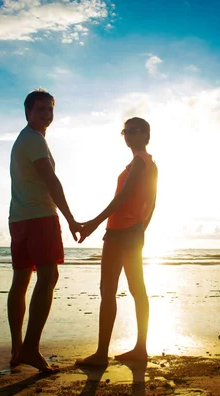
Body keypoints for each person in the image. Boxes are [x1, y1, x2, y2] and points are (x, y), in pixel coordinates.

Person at [7, 88, 80, 373]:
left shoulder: (23, 140)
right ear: (28, 112)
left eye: (50, 108)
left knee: (22, 280)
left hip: (19, 218)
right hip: (39, 217)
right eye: (40, 109)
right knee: (48, 276)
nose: (46, 114)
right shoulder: (34, 140)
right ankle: (30, 348)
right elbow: (50, 179)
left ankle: (17, 349)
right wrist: (71, 218)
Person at [75, 117, 158, 366]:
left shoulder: (141, 163)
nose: (129, 136)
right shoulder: (141, 163)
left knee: (117, 290)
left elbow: (124, 197)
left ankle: (105, 354)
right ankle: (135, 349)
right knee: (126, 290)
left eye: (135, 131)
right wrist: (141, 225)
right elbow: (150, 202)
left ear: (146, 135)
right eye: (126, 132)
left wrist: (93, 223)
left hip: (122, 233)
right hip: (127, 231)